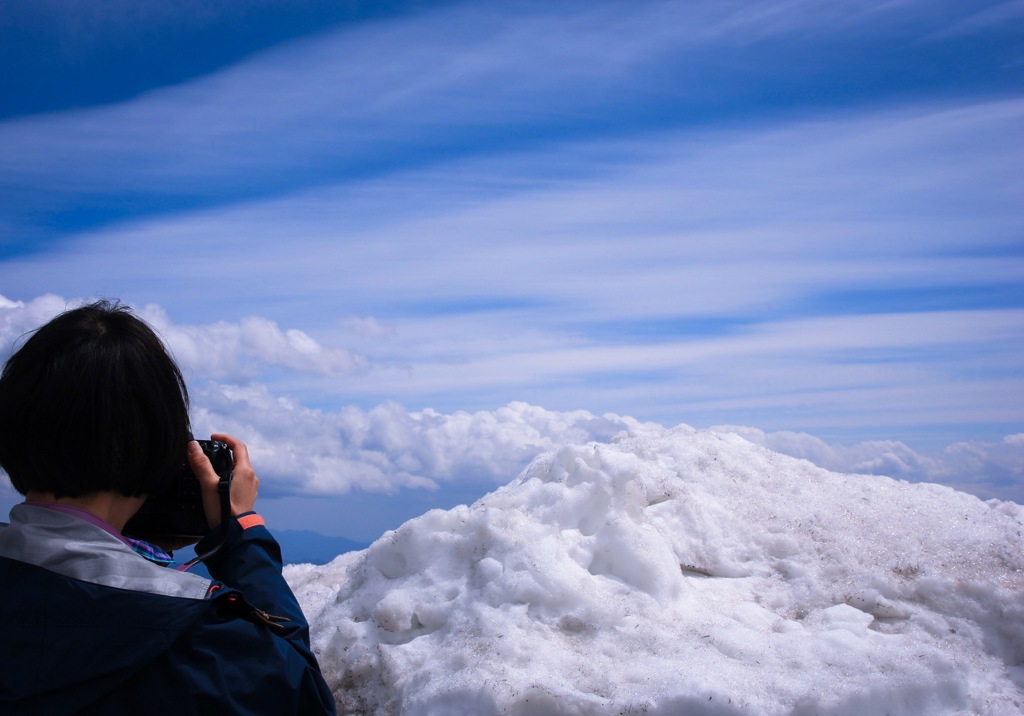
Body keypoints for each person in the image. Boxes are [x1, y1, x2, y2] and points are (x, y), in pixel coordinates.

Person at [0, 301, 336, 715]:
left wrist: (127, 553)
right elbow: (299, 694)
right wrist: (242, 536)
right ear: (160, 448)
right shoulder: (199, 639)